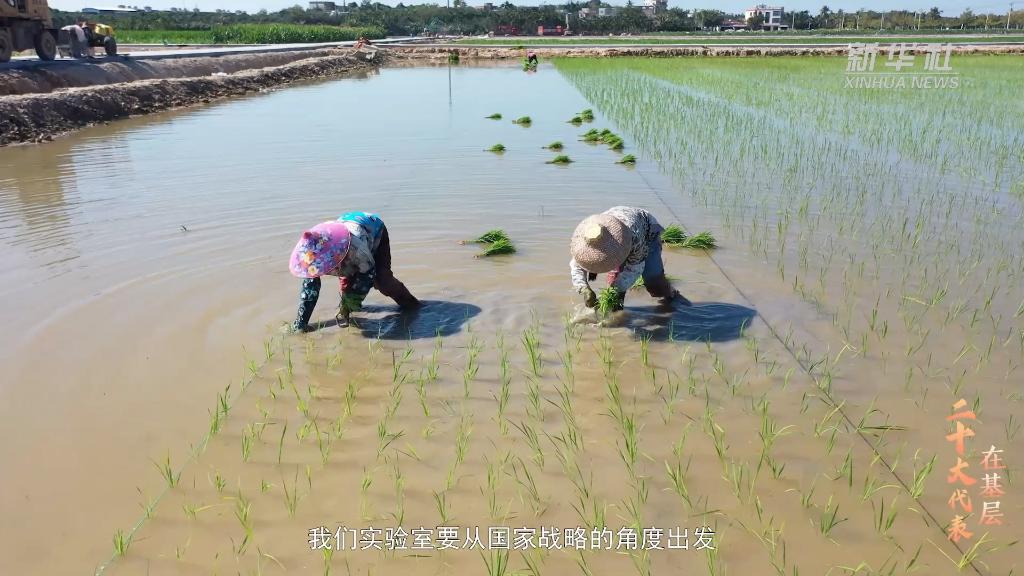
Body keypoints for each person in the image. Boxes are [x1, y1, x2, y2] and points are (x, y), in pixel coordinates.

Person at [289, 212, 419, 332]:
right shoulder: (311, 259)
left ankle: (411, 305)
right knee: (346, 285)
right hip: (345, 236)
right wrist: (301, 322)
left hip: (374, 230)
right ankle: (350, 311)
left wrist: (351, 300)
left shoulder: (356, 248)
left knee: (382, 281)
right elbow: (310, 290)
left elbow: (368, 273)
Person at [569, 206, 691, 312]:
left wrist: (616, 289)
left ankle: (672, 296)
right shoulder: (585, 238)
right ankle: (617, 310)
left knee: (653, 281)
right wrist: (584, 289)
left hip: (647, 232)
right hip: (616, 225)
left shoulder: (635, 238)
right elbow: (577, 266)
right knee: (614, 280)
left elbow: (635, 268)